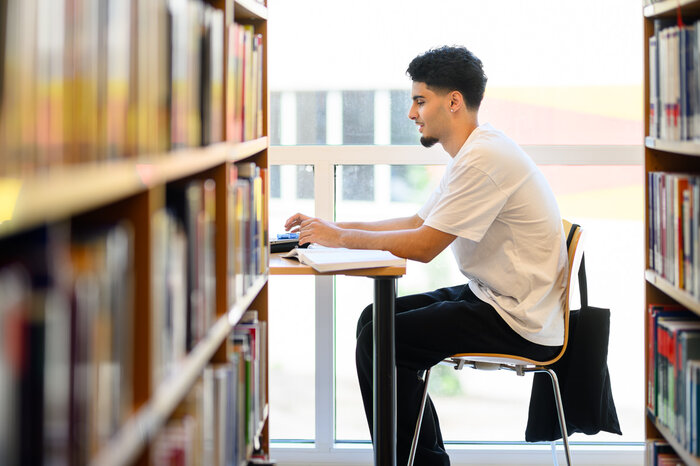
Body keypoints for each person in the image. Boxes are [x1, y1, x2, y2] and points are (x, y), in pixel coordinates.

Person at [284, 45, 567, 466]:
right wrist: (331, 229)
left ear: (453, 101)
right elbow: (418, 220)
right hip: (499, 297)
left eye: (420, 101)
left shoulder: (484, 158)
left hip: (517, 317)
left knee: (379, 340)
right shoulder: (474, 151)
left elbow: (423, 246)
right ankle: (421, 457)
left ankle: (417, 461)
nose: (412, 114)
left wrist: (339, 237)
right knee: (373, 322)